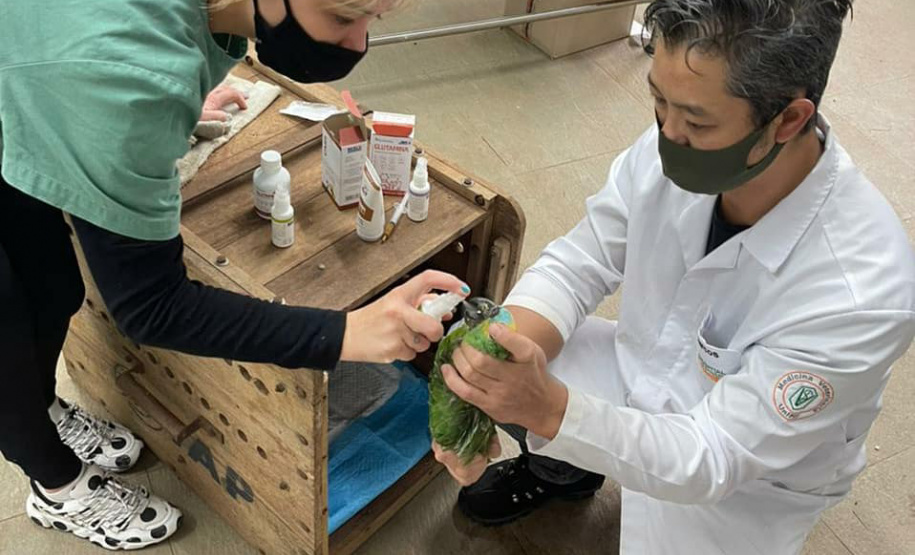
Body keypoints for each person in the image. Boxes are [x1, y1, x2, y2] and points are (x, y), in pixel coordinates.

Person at [433, 1, 915, 553]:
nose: (667, 134)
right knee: (495, 348)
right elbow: (580, 260)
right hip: (649, 367)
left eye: (696, 120)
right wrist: (484, 375)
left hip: (742, 482)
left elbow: (712, 455)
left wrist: (547, 408)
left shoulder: (861, 294)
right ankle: (565, 471)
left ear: (789, 119)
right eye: (658, 101)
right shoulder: (678, 137)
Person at [0, 0, 468, 550]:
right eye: (342, 18)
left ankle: (43, 409)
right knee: (6, 329)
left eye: (373, 19)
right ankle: (54, 481)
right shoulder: (126, 78)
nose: (358, 43)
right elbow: (152, 307)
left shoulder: (139, 63)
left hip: (29, 81)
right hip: (47, 75)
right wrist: (347, 334)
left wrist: (165, 107)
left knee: (52, 284)